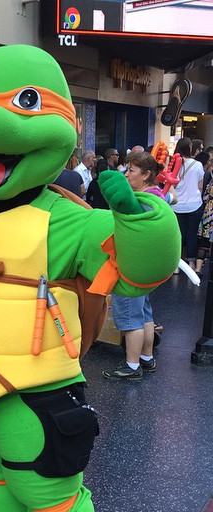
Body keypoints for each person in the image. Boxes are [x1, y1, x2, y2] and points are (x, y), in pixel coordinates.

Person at [102, 151, 169, 379]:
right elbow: (174, 198)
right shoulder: (157, 196)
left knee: (131, 318)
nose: (126, 174)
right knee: (145, 315)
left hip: (131, 268)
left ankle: (132, 366)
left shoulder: (139, 202)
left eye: (131, 171)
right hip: (147, 269)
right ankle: (147, 359)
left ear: (146, 174)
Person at [172, 137, 204, 273]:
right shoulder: (197, 165)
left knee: (177, 234)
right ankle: (191, 263)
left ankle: (176, 265)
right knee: (191, 234)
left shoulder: (173, 164)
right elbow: (200, 186)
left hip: (176, 205)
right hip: (194, 205)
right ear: (189, 148)